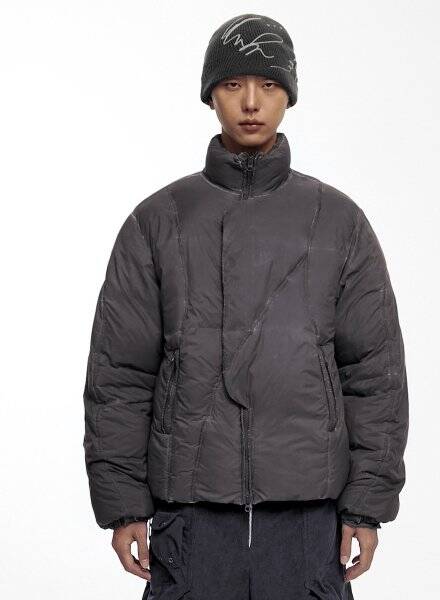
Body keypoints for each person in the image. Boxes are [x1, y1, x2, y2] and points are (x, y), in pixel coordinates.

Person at [82, 13, 409, 600]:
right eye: (233, 84)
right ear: (210, 94)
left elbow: (374, 373)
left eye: (269, 84)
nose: (251, 102)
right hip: (190, 514)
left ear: (289, 95)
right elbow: (120, 374)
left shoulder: (338, 221)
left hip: (309, 516)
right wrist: (124, 502)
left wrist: (367, 503)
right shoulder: (158, 222)